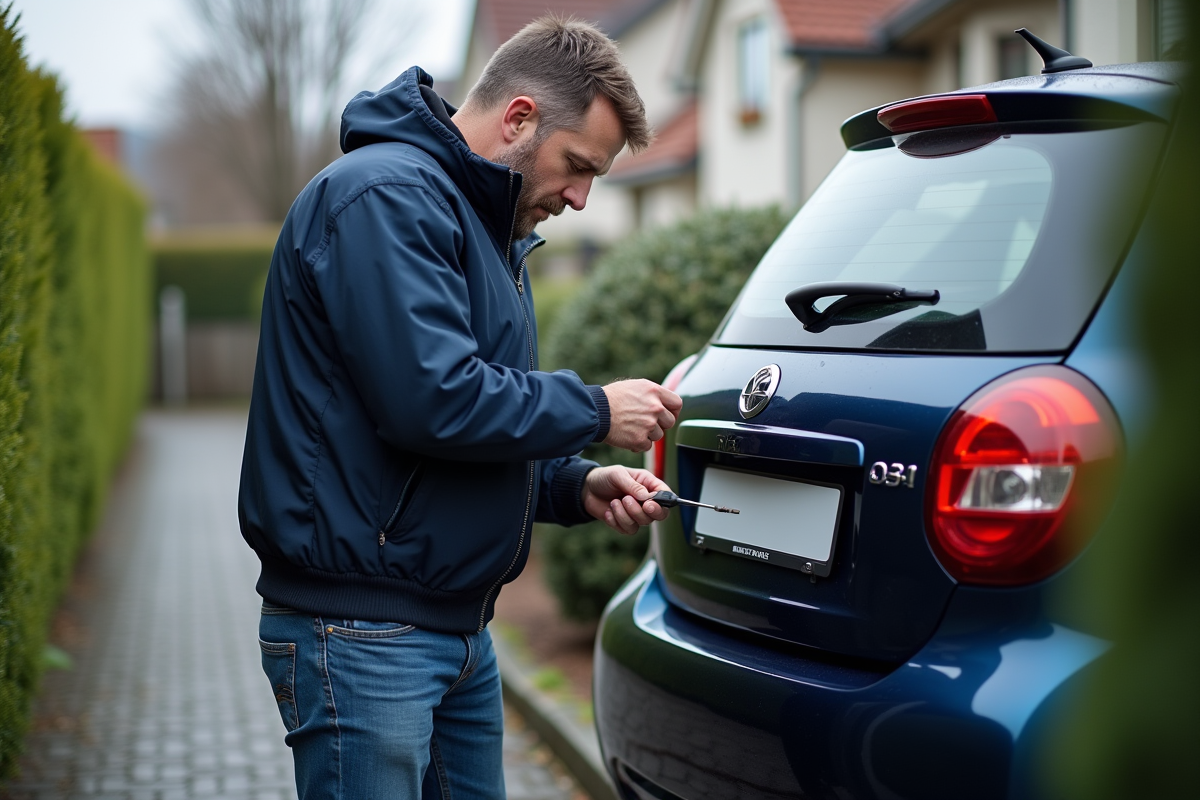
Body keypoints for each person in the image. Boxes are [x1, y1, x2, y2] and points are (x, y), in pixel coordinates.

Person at [238, 16, 682, 799]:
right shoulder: (386, 198)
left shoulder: (483, 223)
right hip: (367, 633)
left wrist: (571, 483)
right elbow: (434, 401)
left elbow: (463, 427)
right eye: (579, 166)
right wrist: (594, 410)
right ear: (519, 118)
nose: (581, 198)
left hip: (457, 633)